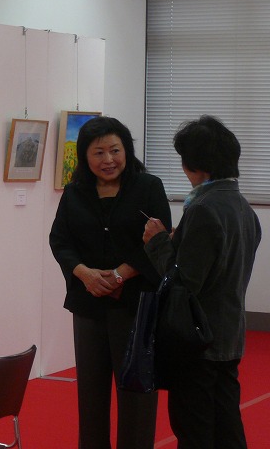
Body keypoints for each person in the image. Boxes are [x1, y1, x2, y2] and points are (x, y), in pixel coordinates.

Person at [50, 116, 171, 449]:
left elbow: (159, 243)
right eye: (98, 152)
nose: (108, 160)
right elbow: (60, 240)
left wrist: (120, 274)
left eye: (115, 150)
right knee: (90, 394)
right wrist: (84, 273)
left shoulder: (148, 187)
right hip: (88, 304)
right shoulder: (74, 192)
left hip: (136, 306)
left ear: (127, 150)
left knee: (136, 393)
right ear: (85, 156)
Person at [143, 115, 261, 449]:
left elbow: (183, 285)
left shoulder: (204, 209)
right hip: (228, 335)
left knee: (195, 429)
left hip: (198, 341)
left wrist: (158, 242)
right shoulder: (243, 208)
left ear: (196, 166)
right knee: (227, 428)